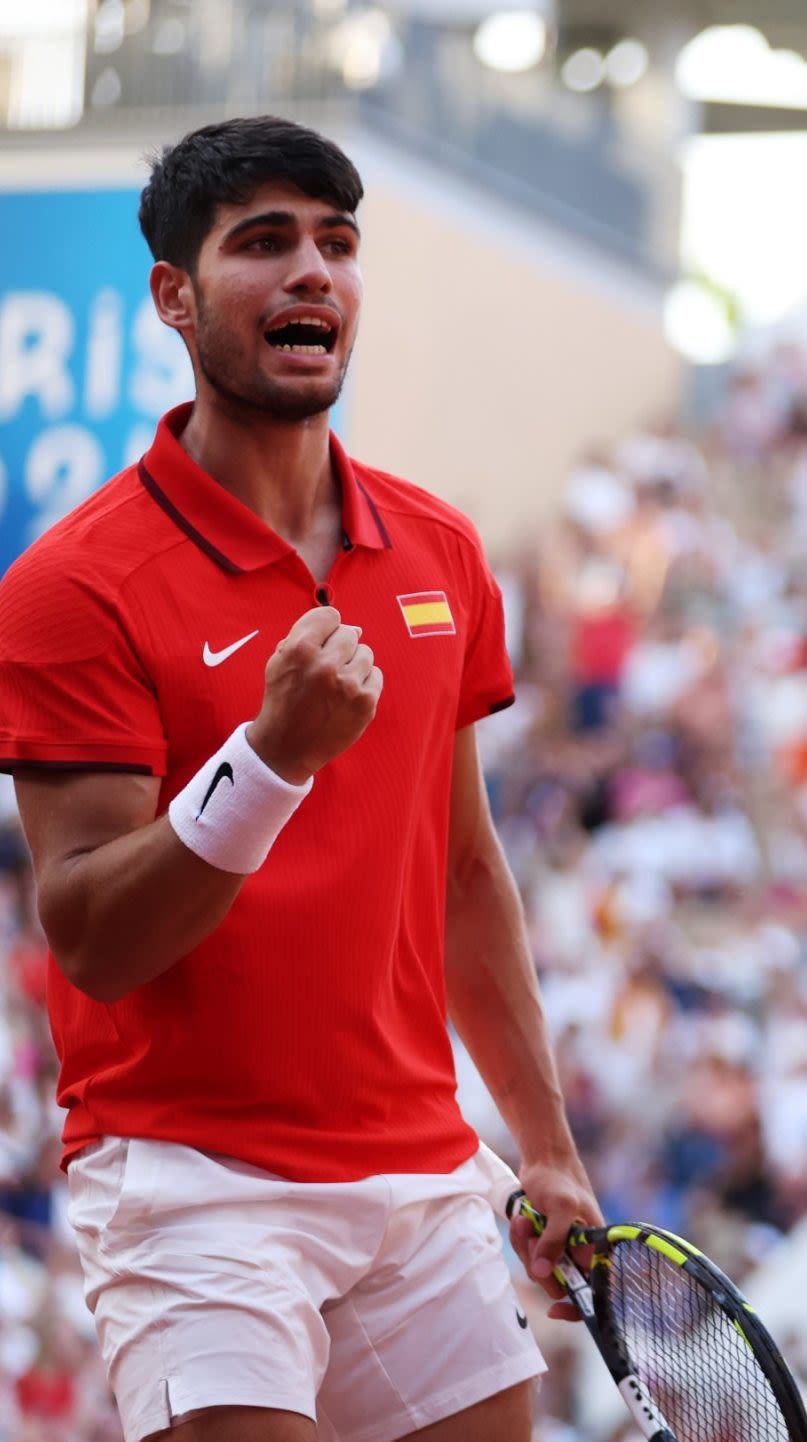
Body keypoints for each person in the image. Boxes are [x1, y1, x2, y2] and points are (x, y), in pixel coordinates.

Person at [0, 117, 601, 1441]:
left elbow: (463, 872)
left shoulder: (442, 552)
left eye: (336, 242)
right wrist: (270, 759)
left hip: (422, 1167)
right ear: (173, 294)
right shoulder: (69, 587)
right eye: (262, 243)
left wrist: (544, 1140)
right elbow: (93, 936)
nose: (311, 273)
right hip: (188, 1178)